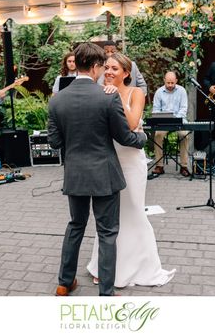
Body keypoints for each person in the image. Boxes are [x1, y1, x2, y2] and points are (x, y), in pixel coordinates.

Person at [47, 42, 147, 297]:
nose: (104, 71)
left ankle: (63, 282)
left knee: (75, 226)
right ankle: (106, 292)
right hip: (104, 174)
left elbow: (55, 142)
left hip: (76, 174)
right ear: (93, 67)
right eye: (102, 66)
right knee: (107, 232)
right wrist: (143, 139)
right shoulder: (107, 96)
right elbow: (125, 137)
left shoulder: (57, 100)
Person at [87, 52, 176, 288]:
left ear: (126, 73)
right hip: (107, 159)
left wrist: (116, 96)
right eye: (106, 67)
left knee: (134, 211)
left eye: (115, 69)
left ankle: (140, 266)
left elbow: (132, 123)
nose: (108, 72)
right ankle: (103, 266)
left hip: (131, 163)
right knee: (108, 216)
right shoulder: (98, 93)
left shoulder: (136, 93)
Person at [152, 71, 190, 177]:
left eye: (172, 83)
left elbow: (183, 109)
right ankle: (159, 166)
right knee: (158, 135)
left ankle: (184, 166)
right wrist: (163, 118)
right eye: (168, 82)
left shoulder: (182, 91)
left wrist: (175, 118)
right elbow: (156, 110)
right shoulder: (159, 92)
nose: (170, 85)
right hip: (163, 122)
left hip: (179, 120)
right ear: (164, 80)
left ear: (176, 81)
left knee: (184, 135)